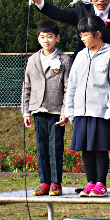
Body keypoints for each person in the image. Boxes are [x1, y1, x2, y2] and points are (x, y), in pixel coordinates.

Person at [29, 0, 110, 194]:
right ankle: (92, 181)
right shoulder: (82, 12)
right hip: (85, 83)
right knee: (88, 143)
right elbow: (59, 14)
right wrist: (40, 2)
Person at [64, 16, 110, 197]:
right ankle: (90, 181)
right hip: (81, 111)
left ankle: (101, 184)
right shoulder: (80, 56)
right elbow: (72, 84)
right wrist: (70, 110)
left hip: (101, 112)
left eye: (85, 35)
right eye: (80, 35)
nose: (82, 39)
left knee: (100, 148)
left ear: (98, 34)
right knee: (85, 148)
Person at [22, 20, 73, 196]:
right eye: (42, 37)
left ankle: (56, 183)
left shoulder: (65, 60)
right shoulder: (32, 60)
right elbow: (27, 86)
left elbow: (68, 88)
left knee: (55, 147)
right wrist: (26, 111)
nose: (46, 40)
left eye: (50, 36)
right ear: (38, 39)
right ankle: (44, 182)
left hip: (56, 111)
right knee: (41, 147)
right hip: (37, 110)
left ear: (57, 38)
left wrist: (66, 111)